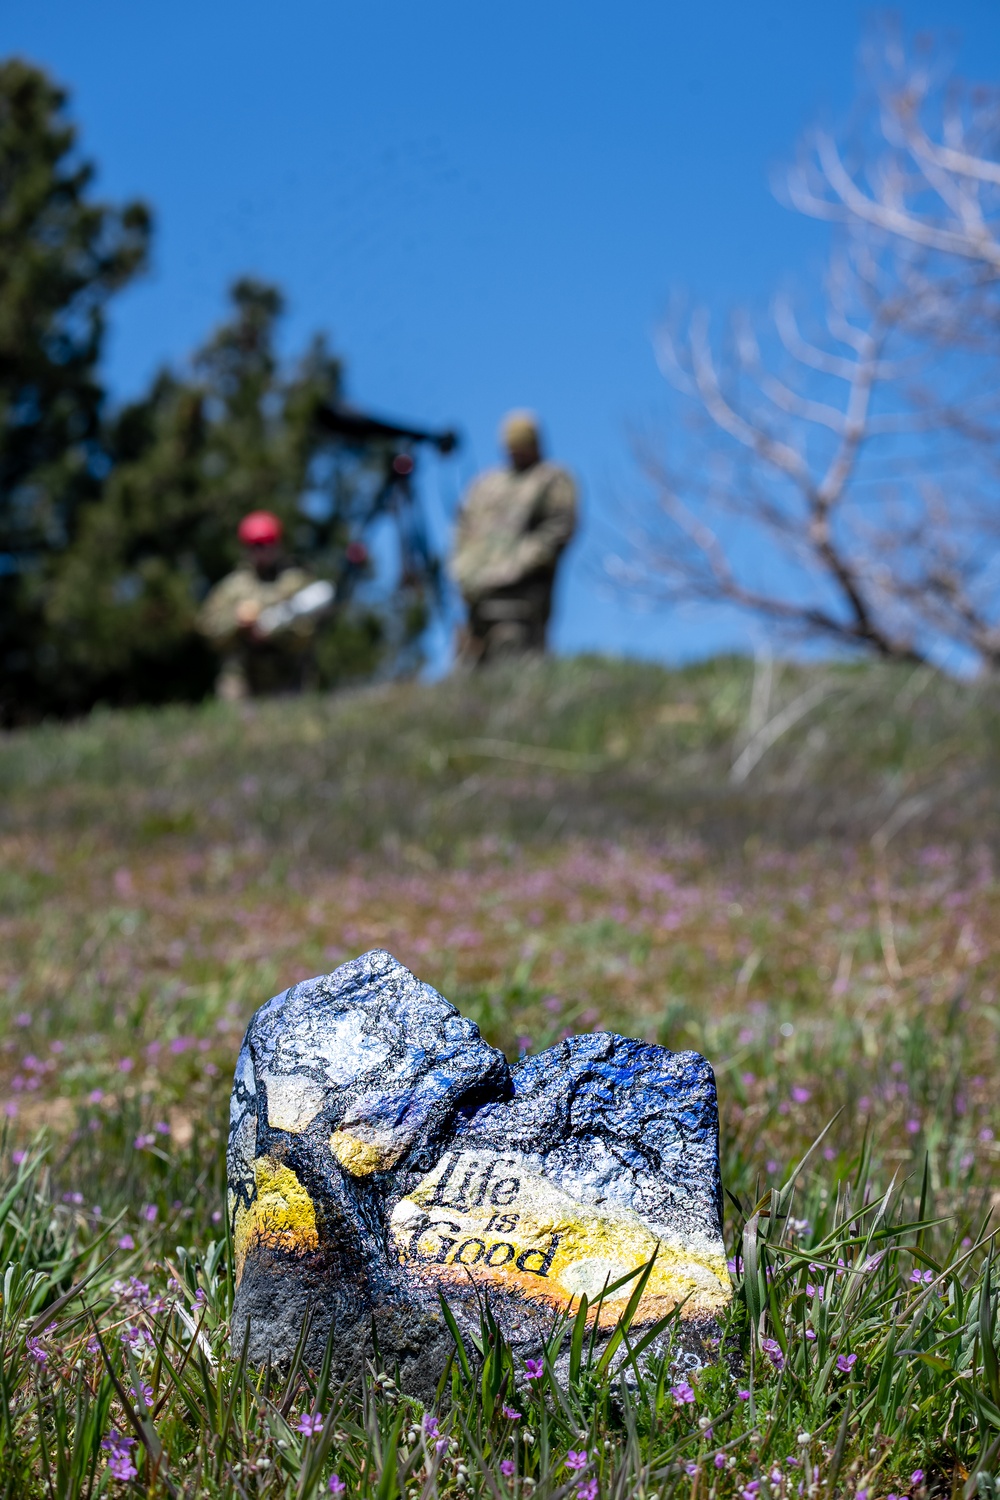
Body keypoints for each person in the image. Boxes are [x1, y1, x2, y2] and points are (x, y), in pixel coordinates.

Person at [450, 411, 577, 665]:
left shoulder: (551, 479)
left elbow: (557, 532)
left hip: (520, 606)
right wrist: (463, 570)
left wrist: (510, 568)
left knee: (515, 672)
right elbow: (462, 529)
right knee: (466, 685)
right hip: (476, 602)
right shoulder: (486, 485)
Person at [197, 511, 321, 700]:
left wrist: (275, 630)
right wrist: (237, 622)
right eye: (255, 545)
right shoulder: (231, 588)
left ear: (278, 545)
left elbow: (313, 625)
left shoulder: (295, 582)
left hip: (288, 674)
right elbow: (207, 629)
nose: (261, 551)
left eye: (267, 544)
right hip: (242, 677)